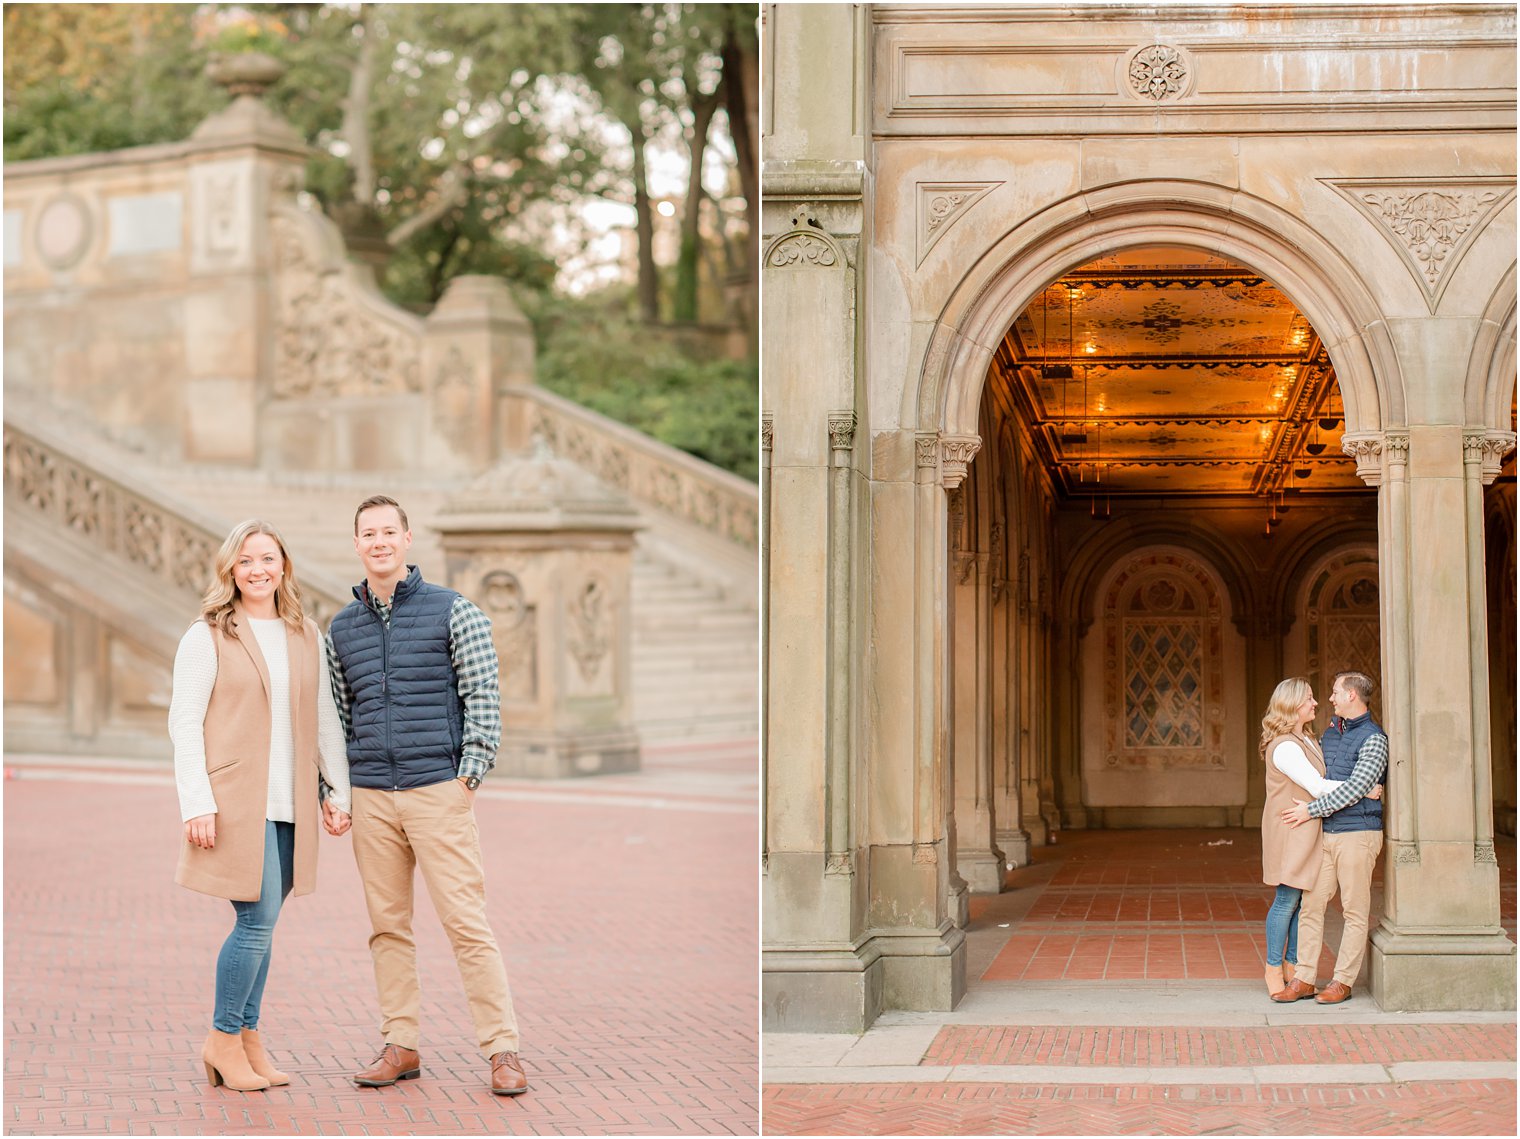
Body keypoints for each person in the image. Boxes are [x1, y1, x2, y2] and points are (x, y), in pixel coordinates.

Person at [325, 495, 527, 1096]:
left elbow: (483, 695)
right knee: (387, 928)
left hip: (438, 789)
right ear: (357, 544)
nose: (379, 541)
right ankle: (401, 1043)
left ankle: (502, 1050)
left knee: (467, 925)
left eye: (390, 531)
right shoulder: (341, 627)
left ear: (408, 539)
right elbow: (337, 716)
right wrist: (333, 789)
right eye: (369, 533)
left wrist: (469, 775)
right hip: (371, 798)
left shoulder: (452, 611)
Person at [170, 519, 352, 1092]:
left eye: (267, 558)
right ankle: (223, 1039)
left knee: (265, 924)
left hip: (291, 800)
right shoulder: (207, 634)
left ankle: (248, 1039)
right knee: (255, 922)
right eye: (246, 560)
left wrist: (337, 790)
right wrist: (197, 802)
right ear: (231, 569)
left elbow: (325, 718)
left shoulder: (304, 632)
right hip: (233, 802)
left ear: (283, 567)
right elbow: (184, 724)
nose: (257, 569)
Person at [1258, 677, 1380, 998]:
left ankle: (1299, 968)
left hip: (1318, 827)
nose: (1319, 701)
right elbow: (1318, 786)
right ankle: (1276, 968)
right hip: (1293, 827)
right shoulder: (1287, 745)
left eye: (1329, 694)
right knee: (1289, 900)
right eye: (1310, 698)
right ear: (1294, 705)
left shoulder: (1313, 737)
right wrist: (1364, 790)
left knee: (1307, 902)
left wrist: (1316, 810)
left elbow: (1323, 781)